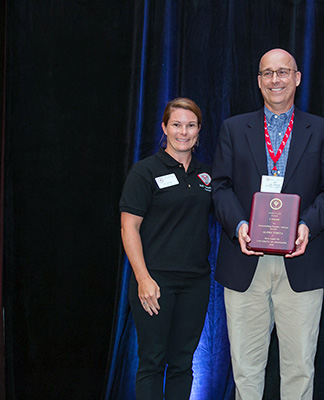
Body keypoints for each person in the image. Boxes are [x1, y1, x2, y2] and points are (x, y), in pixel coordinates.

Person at [212, 48, 324, 399]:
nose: (276, 80)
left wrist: (307, 226)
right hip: (245, 263)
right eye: (268, 73)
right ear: (258, 81)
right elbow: (221, 187)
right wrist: (240, 225)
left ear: (297, 78)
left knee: (300, 368)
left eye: (283, 72)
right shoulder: (233, 128)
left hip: (302, 261)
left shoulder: (322, 130)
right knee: (245, 367)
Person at [119, 98, 212, 399]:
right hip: (155, 282)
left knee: (183, 364)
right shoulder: (144, 171)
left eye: (190, 125)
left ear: (199, 130)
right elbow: (128, 227)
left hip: (195, 283)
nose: (183, 132)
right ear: (164, 128)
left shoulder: (205, 175)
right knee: (152, 362)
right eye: (176, 124)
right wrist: (143, 278)